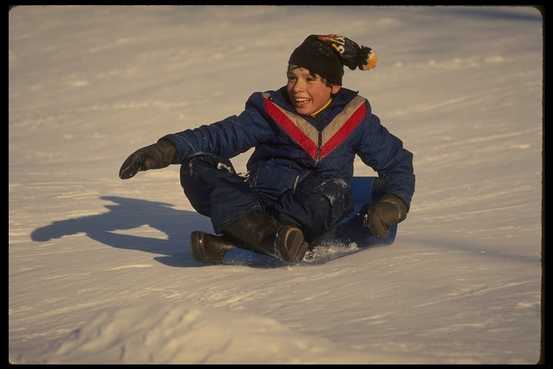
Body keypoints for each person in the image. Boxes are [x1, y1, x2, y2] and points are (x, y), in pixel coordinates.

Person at [119, 34, 415, 265]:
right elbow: (221, 136)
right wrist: (168, 149)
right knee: (198, 166)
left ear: (333, 86)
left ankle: (260, 237)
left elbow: (396, 162)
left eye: (309, 79)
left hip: (312, 209)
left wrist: (394, 202)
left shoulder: (354, 117)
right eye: (292, 77)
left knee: (336, 189)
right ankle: (270, 238)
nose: (297, 87)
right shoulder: (272, 109)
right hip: (257, 203)